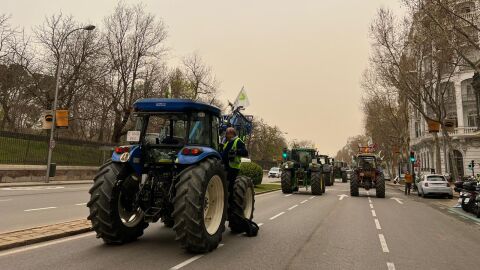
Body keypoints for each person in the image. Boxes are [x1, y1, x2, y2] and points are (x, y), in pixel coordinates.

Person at [221, 127, 249, 202]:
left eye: (227, 134)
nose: (226, 135)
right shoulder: (227, 143)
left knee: (231, 188)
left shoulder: (238, 141)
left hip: (233, 168)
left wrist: (236, 151)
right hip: (225, 167)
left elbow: (245, 152)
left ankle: (230, 203)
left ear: (232, 134)